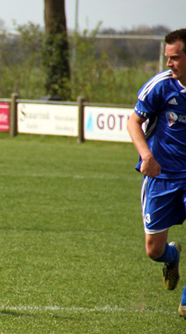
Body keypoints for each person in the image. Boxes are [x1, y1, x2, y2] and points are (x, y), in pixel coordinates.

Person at [127, 28, 186, 319]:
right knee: (153, 250)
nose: (168, 64)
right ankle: (171, 256)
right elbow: (133, 123)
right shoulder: (161, 86)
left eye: (174, 58)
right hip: (162, 175)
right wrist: (147, 156)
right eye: (167, 58)